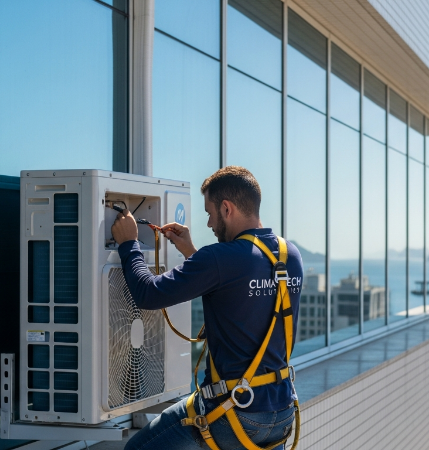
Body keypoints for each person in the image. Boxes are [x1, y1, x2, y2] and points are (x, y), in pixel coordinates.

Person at [112, 166, 303, 450]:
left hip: (234, 414)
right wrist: (192, 253)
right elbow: (237, 286)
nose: (209, 223)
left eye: (210, 213)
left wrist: (128, 244)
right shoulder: (290, 255)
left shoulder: (219, 258)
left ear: (227, 208)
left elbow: (148, 294)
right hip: (281, 412)